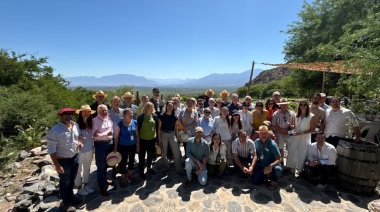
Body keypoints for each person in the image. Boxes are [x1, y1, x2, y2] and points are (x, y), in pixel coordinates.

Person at [46, 108, 83, 211]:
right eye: (65, 114)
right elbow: (51, 149)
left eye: (70, 114)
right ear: (60, 116)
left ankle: (71, 197)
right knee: (65, 182)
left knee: (72, 180)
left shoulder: (75, 125)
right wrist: (57, 165)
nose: (68, 116)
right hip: (63, 160)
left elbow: (76, 138)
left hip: (75, 157)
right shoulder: (54, 131)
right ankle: (65, 203)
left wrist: (79, 142)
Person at [286, 100, 316, 176]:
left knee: (303, 153)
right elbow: (295, 127)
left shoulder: (311, 116)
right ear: (299, 106)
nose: (303, 106)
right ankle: (291, 168)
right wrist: (291, 126)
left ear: (307, 106)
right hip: (296, 136)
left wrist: (301, 133)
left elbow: (313, 129)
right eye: (301, 104)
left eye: (305, 105)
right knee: (292, 151)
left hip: (305, 137)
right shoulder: (296, 115)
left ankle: (300, 170)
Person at [249, 126, 282, 190]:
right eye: (262, 133)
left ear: (268, 134)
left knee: (278, 169)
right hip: (261, 165)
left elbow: (279, 158)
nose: (264, 135)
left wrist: (270, 166)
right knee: (256, 181)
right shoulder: (256, 142)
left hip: (271, 165)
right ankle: (265, 175)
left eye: (265, 133)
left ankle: (273, 180)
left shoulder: (272, 144)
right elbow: (254, 154)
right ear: (259, 134)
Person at [92, 104, 114, 196]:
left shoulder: (108, 118)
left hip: (109, 143)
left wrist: (104, 132)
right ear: (98, 112)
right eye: (102, 111)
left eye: (106, 110)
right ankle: (101, 186)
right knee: (101, 166)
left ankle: (104, 180)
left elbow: (111, 130)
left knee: (106, 164)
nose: (105, 112)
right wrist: (106, 133)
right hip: (100, 145)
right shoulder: (95, 121)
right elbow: (94, 135)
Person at [74, 105, 95, 196]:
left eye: (88, 111)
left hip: (89, 149)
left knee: (87, 168)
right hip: (80, 151)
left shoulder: (91, 123)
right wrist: (79, 137)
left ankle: (86, 185)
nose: (86, 113)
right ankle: (79, 187)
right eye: (84, 111)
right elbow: (73, 136)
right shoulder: (76, 124)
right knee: (78, 170)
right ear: (80, 113)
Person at [158, 101, 183, 175]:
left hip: (172, 134)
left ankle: (179, 169)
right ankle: (166, 167)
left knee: (176, 152)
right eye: (168, 106)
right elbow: (159, 128)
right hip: (164, 134)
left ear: (173, 107)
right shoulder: (162, 116)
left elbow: (176, 128)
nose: (170, 107)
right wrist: (159, 138)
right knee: (164, 152)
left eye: (171, 106)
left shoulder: (174, 117)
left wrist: (177, 138)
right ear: (166, 107)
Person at [114, 108, 138, 186]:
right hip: (122, 146)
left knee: (131, 159)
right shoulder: (120, 123)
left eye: (132, 113)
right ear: (125, 115)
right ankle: (123, 175)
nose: (131, 115)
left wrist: (138, 145)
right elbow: (117, 136)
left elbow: (137, 135)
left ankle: (130, 172)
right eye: (129, 113)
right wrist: (115, 148)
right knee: (123, 161)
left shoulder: (135, 122)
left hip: (132, 145)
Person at [137, 102, 158, 178]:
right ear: (146, 108)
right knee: (142, 156)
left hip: (152, 140)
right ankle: (141, 171)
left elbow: (157, 127)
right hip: (143, 140)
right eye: (150, 107)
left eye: (152, 107)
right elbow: (138, 130)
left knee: (150, 155)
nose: (151, 108)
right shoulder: (141, 117)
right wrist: (138, 142)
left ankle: (149, 168)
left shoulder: (154, 116)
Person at [272, 98, 296, 165]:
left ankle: (290, 162)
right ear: (280, 105)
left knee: (290, 148)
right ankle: (281, 161)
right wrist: (280, 130)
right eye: (282, 105)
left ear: (287, 105)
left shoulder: (292, 113)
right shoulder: (276, 113)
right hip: (279, 133)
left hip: (289, 133)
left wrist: (289, 127)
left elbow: (294, 124)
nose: (284, 106)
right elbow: (274, 124)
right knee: (280, 147)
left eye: (285, 105)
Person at [108, 96, 124, 178]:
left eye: (118, 101)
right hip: (113, 137)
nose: (116, 103)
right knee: (114, 153)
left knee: (121, 153)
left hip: (122, 136)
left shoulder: (123, 111)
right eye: (114, 101)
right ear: (111, 103)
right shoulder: (108, 113)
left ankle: (120, 168)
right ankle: (114, 169)